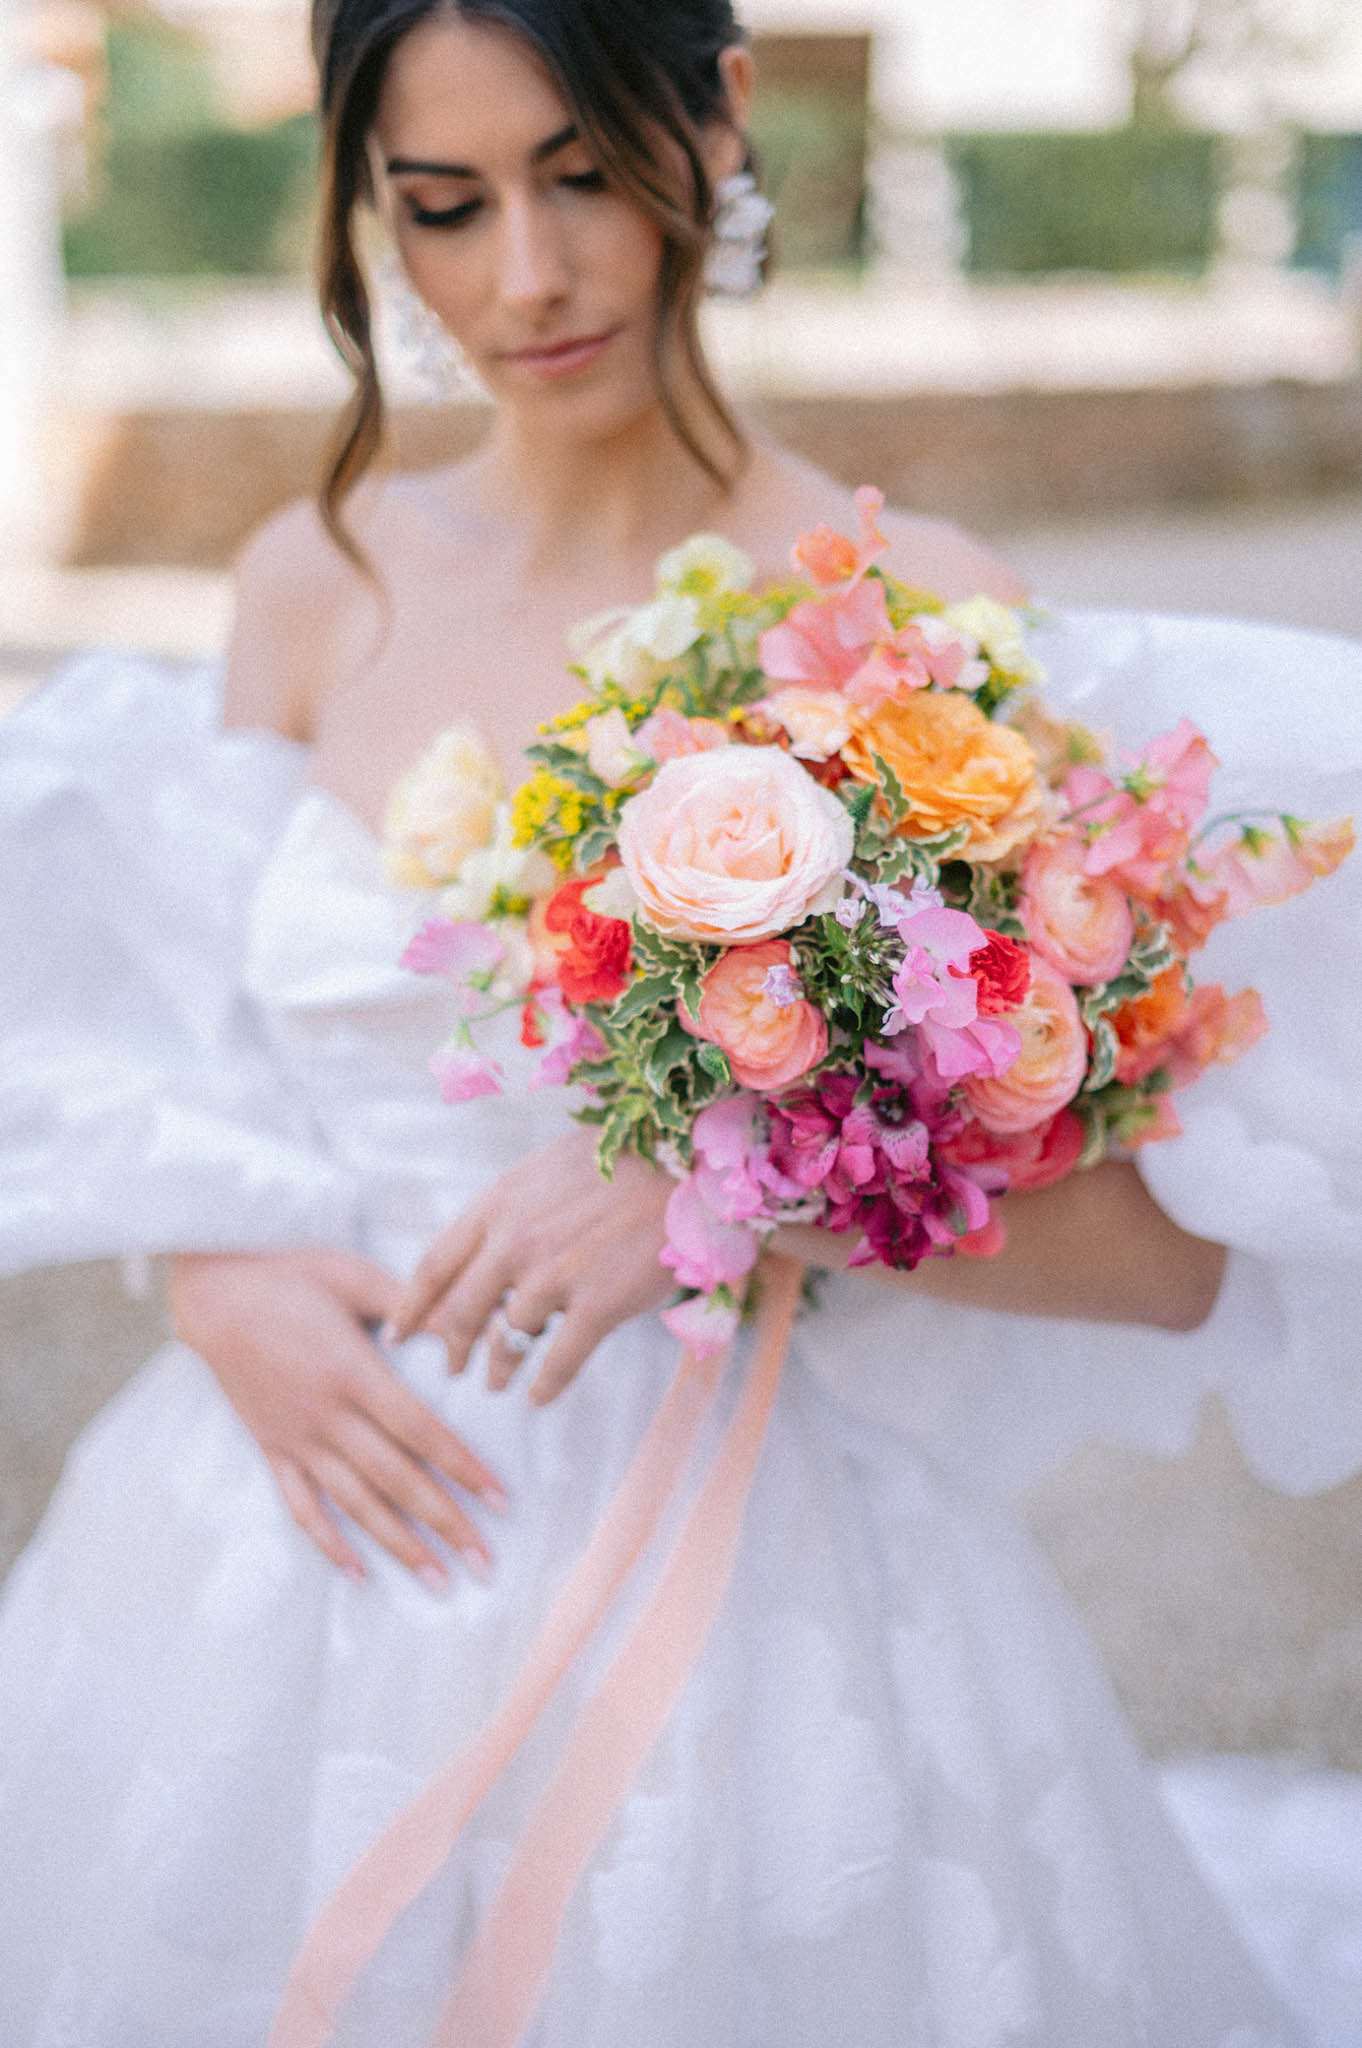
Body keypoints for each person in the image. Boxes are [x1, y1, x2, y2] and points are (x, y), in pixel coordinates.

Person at [0, 1, 1358, 2042]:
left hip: (741, 1574)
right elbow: (165, 1042)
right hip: (278, 1517)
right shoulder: (310, 579)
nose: (523, 277)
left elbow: (1169, 1267)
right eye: (440, 205)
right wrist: (208, 1272)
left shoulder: (914, 639)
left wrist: (738, 1200)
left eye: (578, 173)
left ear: (717, 117)